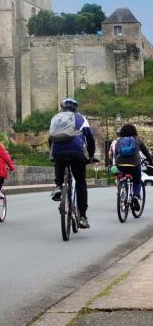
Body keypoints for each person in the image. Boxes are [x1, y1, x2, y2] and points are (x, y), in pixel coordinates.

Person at [49, 98, 96, 229]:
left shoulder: (55, 118)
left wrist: (52, 154)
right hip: (76, 152)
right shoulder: (80, 118)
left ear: (62, 108)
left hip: (58, 151)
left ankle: (58, 186)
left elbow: (51, 137)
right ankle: (82, 217)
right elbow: (90, 139)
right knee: (81, 183)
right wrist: (91, 156)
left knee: (58, 161)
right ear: (75, 108)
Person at [112, 124, 152, 209]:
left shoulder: (119, 141)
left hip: (121, 164)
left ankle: (124, 190)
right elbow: (146, 153)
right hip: (134, 164)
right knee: (137, 181)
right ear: (134, 131)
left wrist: (117, 163)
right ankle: (135, 197)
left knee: (123, 176)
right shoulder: (137, 140)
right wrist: (151, 161)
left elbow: (115, 154)